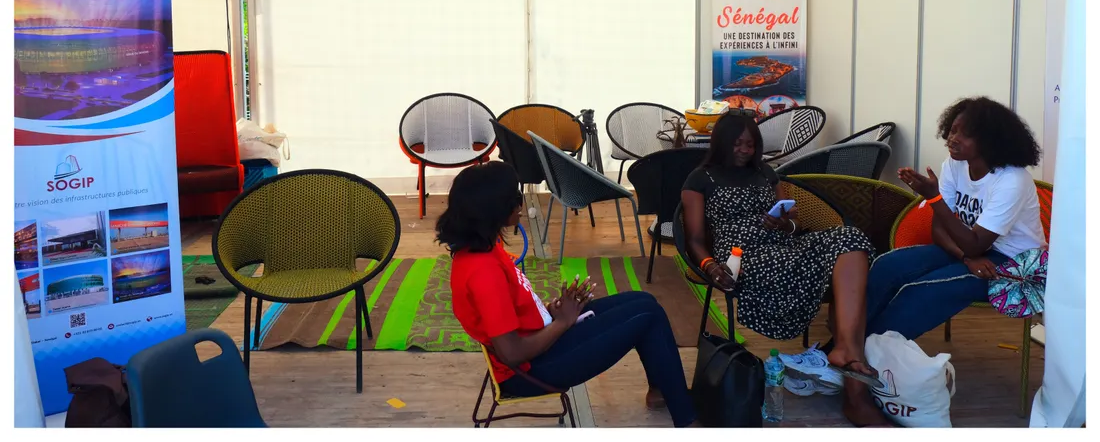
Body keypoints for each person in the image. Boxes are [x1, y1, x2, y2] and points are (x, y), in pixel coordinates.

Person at [437, 161, 697, 428]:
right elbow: (512, 353)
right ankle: (687, 420)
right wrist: (563, 322)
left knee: (644, 301)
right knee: (648, 315)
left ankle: (662, 390)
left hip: (538, 345)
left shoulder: (484, 248)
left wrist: (550, 310)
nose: (521, 204)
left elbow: (511, 311)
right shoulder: (483, 272)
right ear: (494, 210)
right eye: (515, 198)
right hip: (529, 372)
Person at [681, 113, 882, 427]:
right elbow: (693, 238)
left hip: (784, 244)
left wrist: (784, 223)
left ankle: (845, 349)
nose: (745, 150)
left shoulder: (765, 172)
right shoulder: (699, 178)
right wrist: (709, 266)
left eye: (751, 144)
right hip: (741, 255)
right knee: (804, 264)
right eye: (738, 143)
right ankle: (849, 373)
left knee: (852, 238)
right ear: (722, 143)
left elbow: (793, 224)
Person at [866, 96, 1046, 340]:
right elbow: (938, 230)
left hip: (1015, 264)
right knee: (885, 266)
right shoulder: (954, 164)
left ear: (990, 141)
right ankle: (846, 345)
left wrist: (934, 198)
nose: (953, 139)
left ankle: (863, 356)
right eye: (952, 130)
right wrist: (966, 257)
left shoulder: (1011, 179)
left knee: (921, 291)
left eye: (965, 134)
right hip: (969, 250)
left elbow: (976, 242)